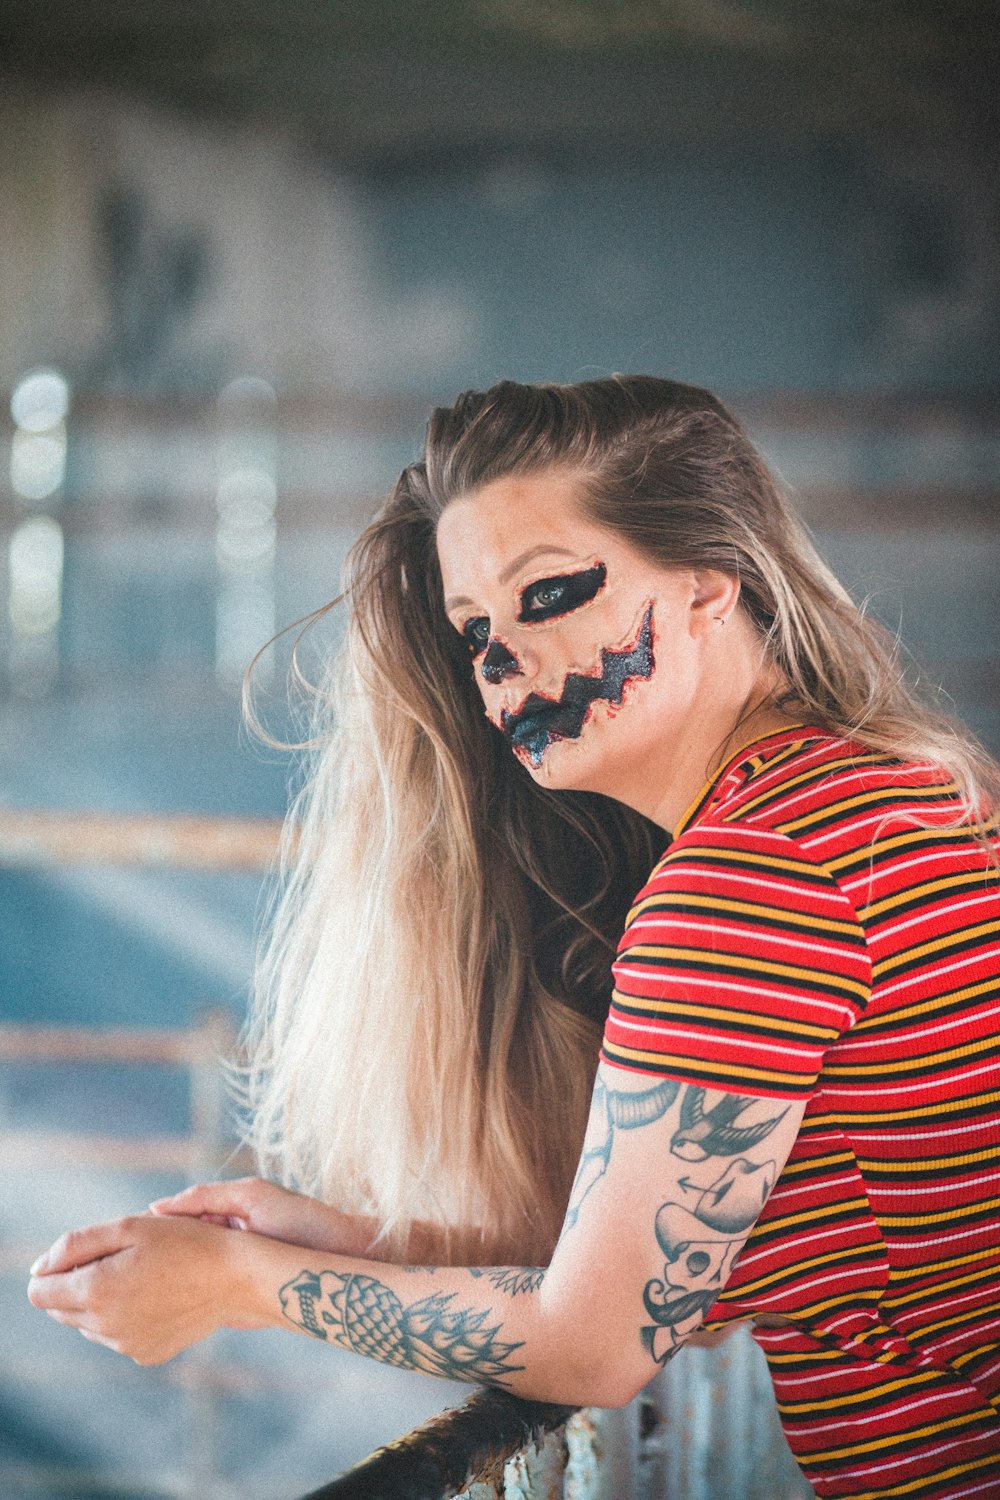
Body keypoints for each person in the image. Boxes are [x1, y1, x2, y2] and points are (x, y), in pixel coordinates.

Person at [28, 377, 1000, 1498]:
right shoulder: (894, 789)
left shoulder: (750, 879)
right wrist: (354, 1241)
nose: (497, 665)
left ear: (707, 585)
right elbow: (692, 1240)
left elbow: (597, 1340)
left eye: (547, 596)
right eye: (474, 628)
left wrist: (239, 1284)